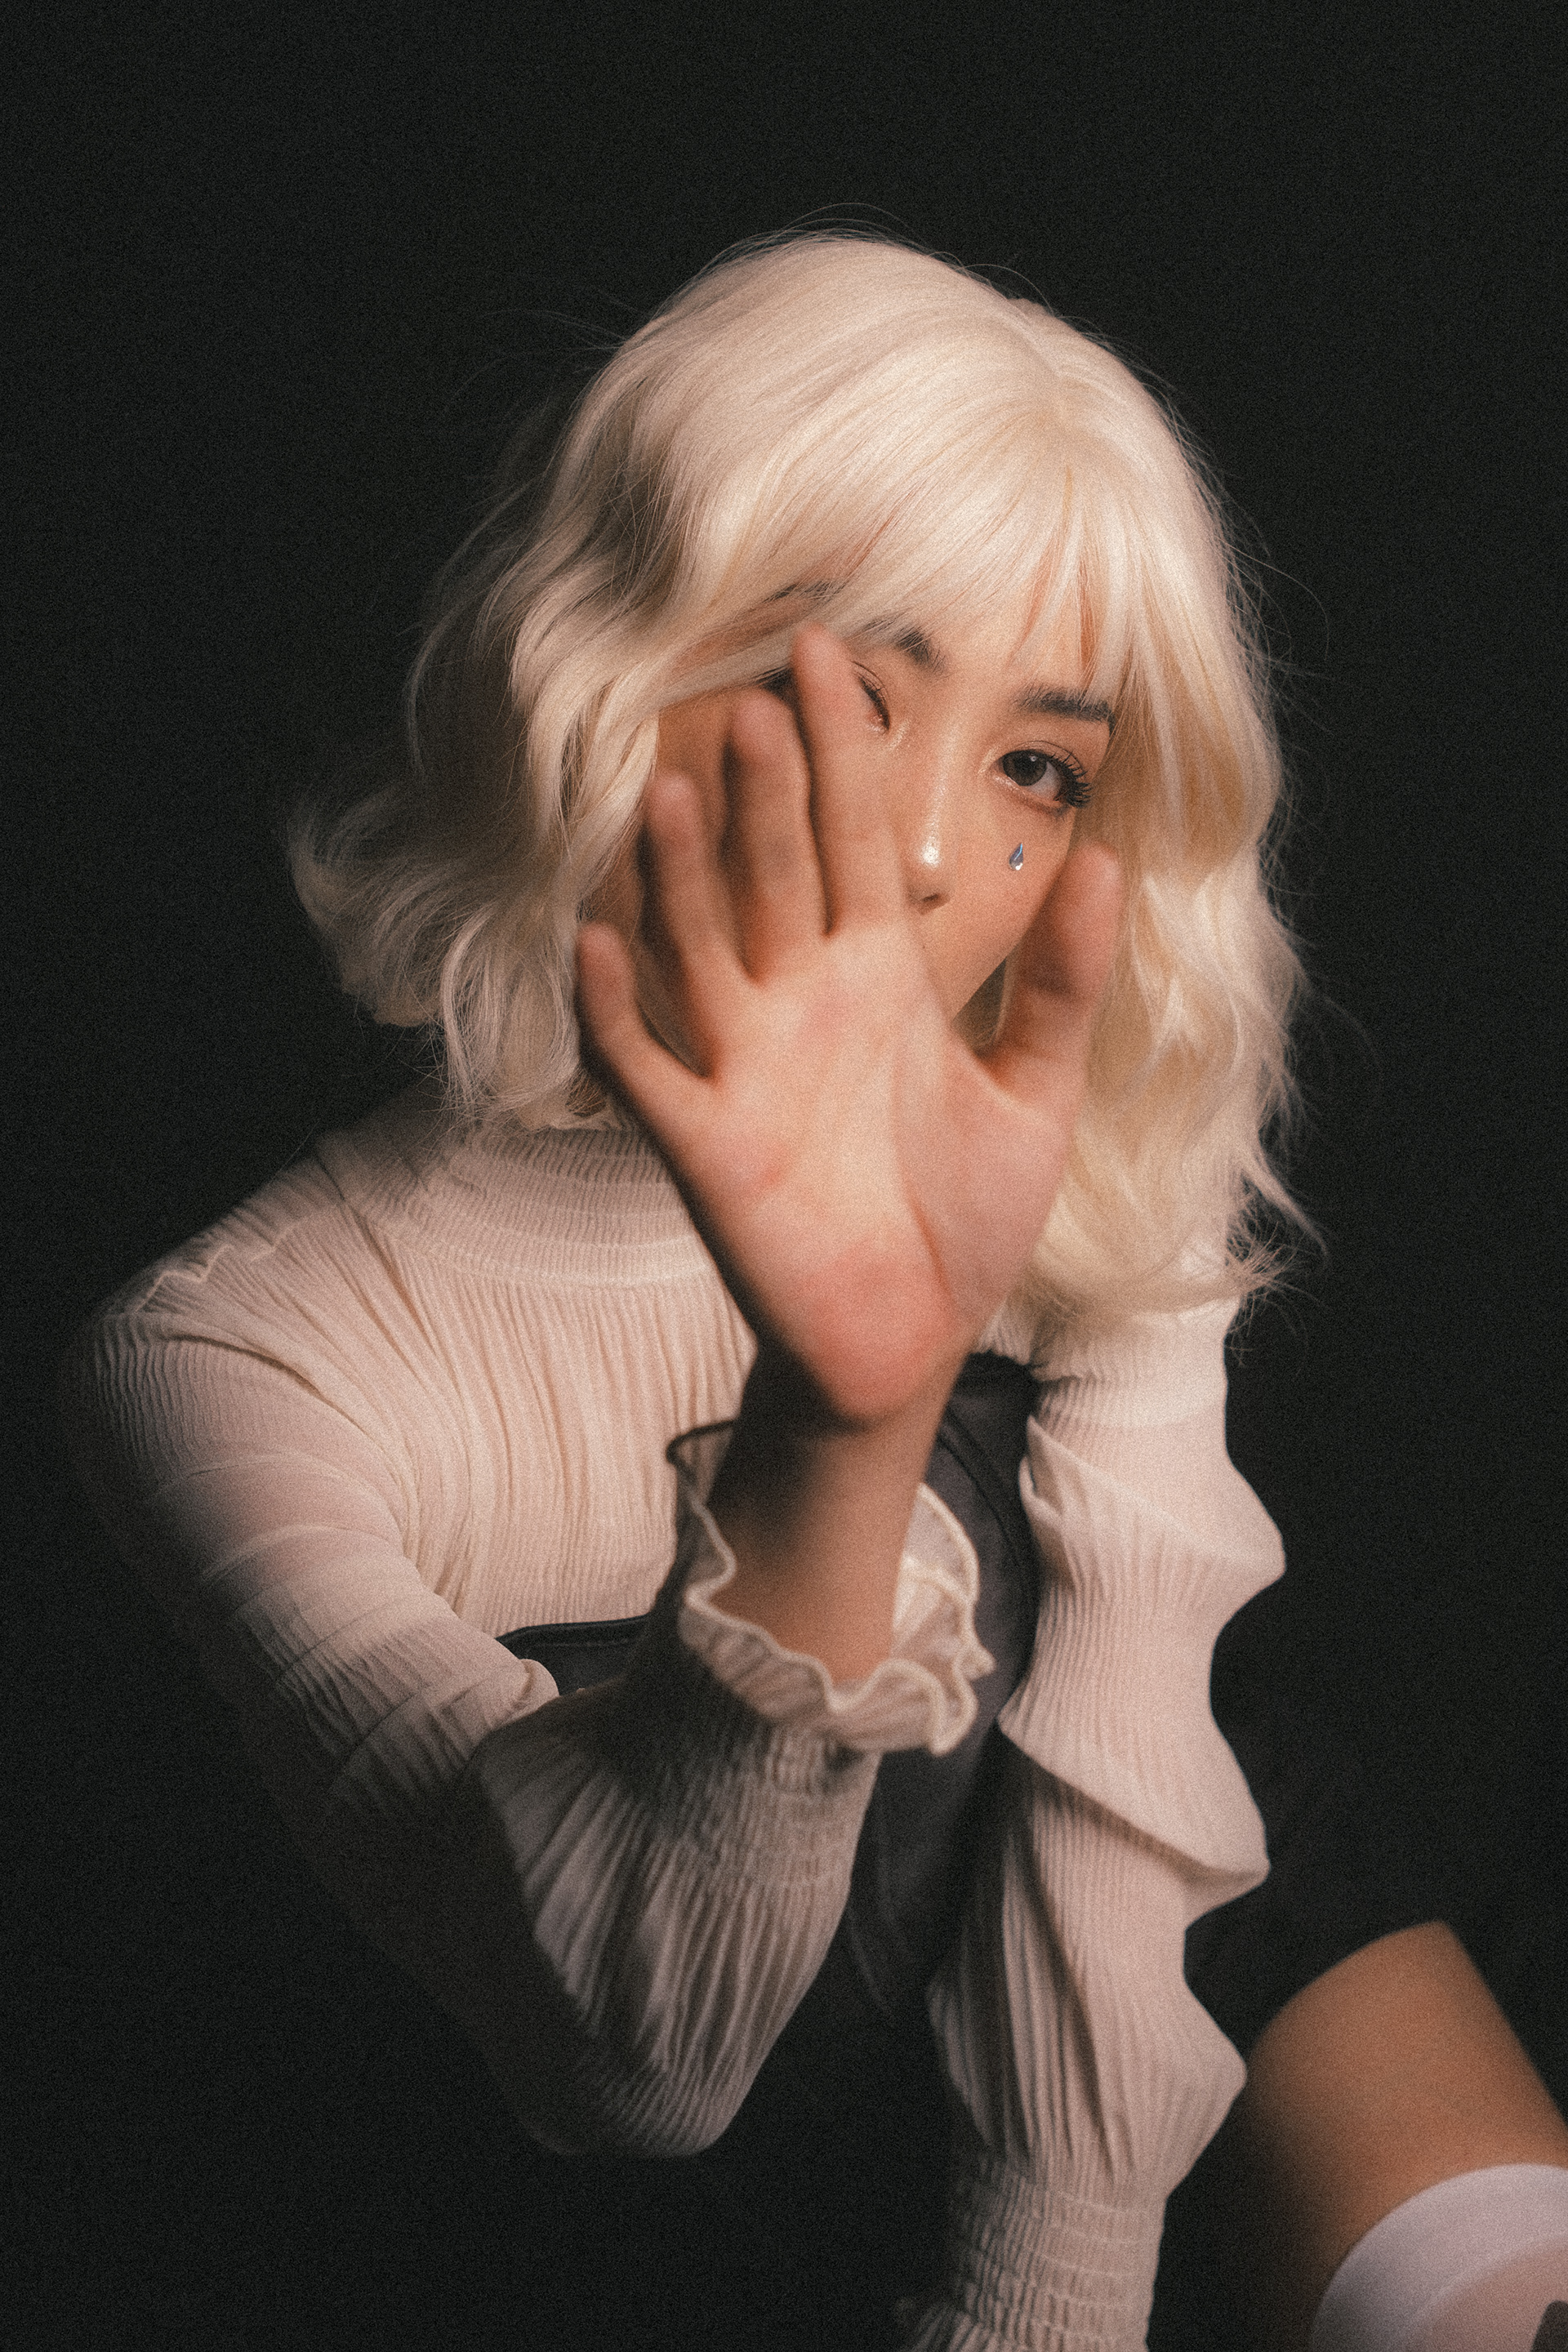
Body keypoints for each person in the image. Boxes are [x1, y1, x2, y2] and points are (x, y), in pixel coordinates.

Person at [62, 232, 1568, 2350]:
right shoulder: (237, 1358)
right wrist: (839, 1428)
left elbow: (1118, 1817)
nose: (936, 854)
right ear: (604, 653)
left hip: (1169, 1921)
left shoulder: (1070, 1144)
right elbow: (633, 2064)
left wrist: (1039, 2317)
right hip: (648, 2215)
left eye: (1040, 766)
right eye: (857, 692)